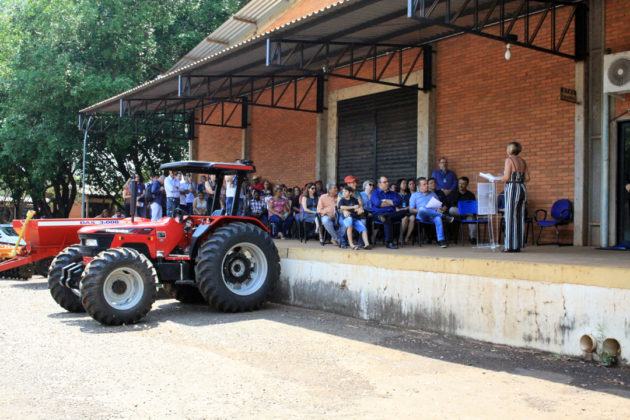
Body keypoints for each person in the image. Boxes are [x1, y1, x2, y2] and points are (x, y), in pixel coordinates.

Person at [497, 142, 530, 252]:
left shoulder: (509, 160)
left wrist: (499, 177)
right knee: (519, 216)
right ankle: (517, 245)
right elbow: (528, 178)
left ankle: (509, 246)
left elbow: (506, 177)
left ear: (510, 149)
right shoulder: (523, 161)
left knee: (510, 216)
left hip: (512, 188)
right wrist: (518, 178)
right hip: (522, 188)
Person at [409, 177, 454, 248]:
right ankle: (443, 216)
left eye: (427, 184)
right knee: (422, 209)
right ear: (419, 186)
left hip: (432, 216)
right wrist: (421, 210)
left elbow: (439, 206)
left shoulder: (433, 194)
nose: (427, 185)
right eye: (424, 184)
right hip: (422, 215)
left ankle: (441, 240)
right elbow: (411, 209)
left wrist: (439, 209)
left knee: (438, 218)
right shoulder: (414, 195)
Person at [370, 176, 406, 249]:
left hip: (390, 214)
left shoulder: (393, 193)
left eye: (387, 182)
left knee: (404, 211)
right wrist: (391, 203)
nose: (387, 183)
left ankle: (385, 217)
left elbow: (398, 202)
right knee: (387, 219)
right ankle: (389, 242)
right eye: (384, 182)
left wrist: (385, 200)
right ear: (379, 184)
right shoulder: (375, 193)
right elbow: (378, 203)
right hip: (378, 214)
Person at [338, 186, 371, 250]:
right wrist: (353, 207)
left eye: (346, 191)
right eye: (343, 192)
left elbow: (358, 207)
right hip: (347, 218)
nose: (343, 193)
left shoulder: (354, 199)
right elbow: (341, 207)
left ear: (350, 193)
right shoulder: (342, 200)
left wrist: (359, 210)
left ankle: (367, 244)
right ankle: (351, 244)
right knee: (350, 225)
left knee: (363, 229)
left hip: (355, 218)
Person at [447, 176, 477, 244]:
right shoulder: (453, 193)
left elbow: (473, 206)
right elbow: (451, 205)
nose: (461, 185)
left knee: (472, 218)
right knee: (451, 210)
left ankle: (472, 238)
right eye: (460, 183)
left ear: (466, 185)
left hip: (467, 215)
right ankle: (466, 212)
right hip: (457, 214)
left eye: (463, 184)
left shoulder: (470, 195)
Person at [398, 178, 413, 244]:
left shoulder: (409, 194)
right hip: (399, 213)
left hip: (407, 212)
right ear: (399, 184)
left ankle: (407, 237)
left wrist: (405, 208)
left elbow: (412, 205)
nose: (405, 185)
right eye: (403, 183)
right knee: (405, 218)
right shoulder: (396, 194)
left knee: (413, 218)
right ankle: (400, 237)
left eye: (406, 184)